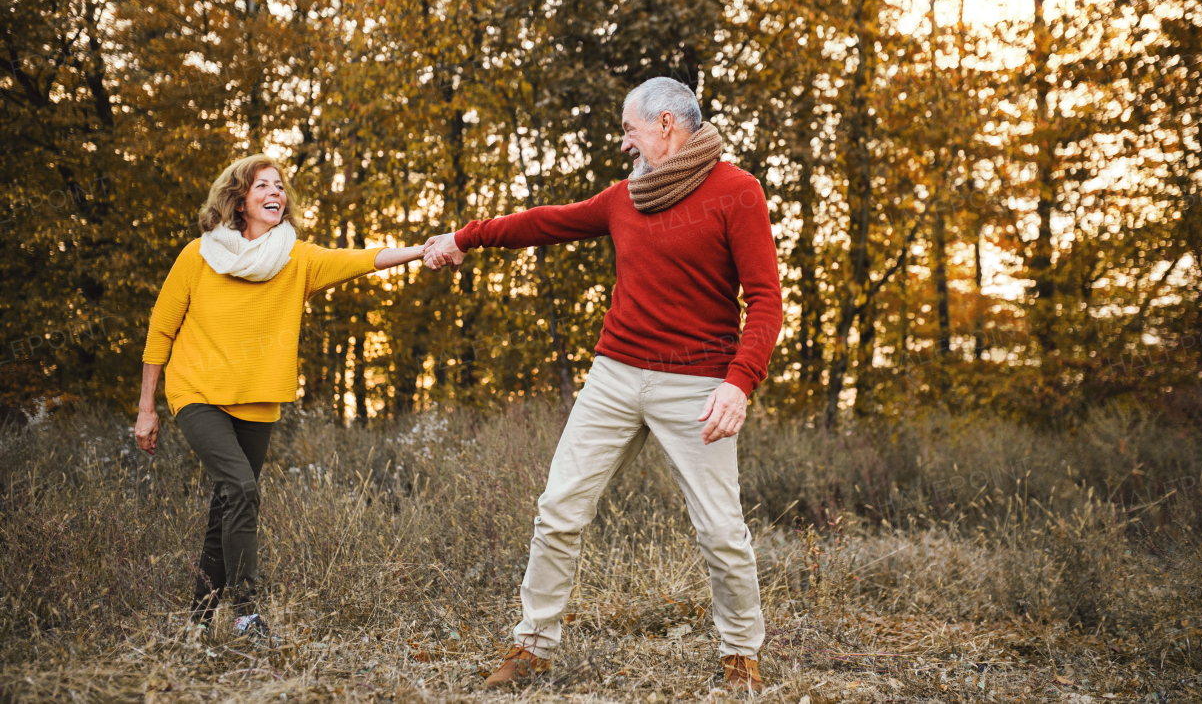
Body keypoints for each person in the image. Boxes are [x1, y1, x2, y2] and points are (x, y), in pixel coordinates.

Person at [423, 77, 783, 692]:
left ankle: (741, 656)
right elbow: (544, 223)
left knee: (721, 529)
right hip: (615, 376)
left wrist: (738, 383)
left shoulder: (737, 192)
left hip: (697, 386)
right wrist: (464, 237)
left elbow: (766, 299)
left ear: (666, 123)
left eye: (630, 129)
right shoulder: (627, 197)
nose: (624, 142)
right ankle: (533, 647)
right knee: (559, 510)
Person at [133, 154, 429, 642]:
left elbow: (362, 259)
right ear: (240, 200)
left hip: (257, 400)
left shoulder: (297, 258)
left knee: (227, 503)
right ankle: (247, 613)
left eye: (280, 186)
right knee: (243, 490)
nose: (275, 193)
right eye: (262, 186)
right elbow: (160, 332)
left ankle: (199, 621)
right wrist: (147, 409)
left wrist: (425, 247)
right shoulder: (197, 255)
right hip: (197, 392)